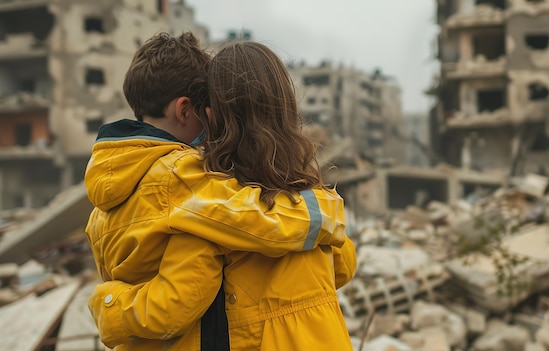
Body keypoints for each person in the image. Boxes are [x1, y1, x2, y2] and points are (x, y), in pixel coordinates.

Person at [84, 33, 353, 351]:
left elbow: (174, 298)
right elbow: (342, 265)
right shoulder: (191, 184)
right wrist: (320, 208)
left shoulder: (111, 197)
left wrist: (106, 304)